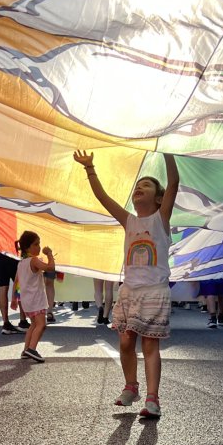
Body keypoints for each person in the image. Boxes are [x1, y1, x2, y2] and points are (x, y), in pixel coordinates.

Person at [77, 150, 180, 418]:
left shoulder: (161, 219)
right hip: (129, 291)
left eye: (145, 185)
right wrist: (90, 168)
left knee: (149, 345)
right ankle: (131, 386)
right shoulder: (129, 220)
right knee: (124, 343)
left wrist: (168, 150)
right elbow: (102, 198)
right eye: (137, 186)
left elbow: (174, 184)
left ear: (158, 199)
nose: (139, 188)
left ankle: (153, 399)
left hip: (154, 292)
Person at [16, 231, 55, 362]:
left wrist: (15, 298)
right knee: (41, 325)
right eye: (36, 244)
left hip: (27, 301)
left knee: (33, 325)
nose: (39, 247)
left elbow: (17, 282)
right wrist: (49, 254)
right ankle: (32, 349)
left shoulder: (21, 263)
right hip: (36, 299)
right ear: (28, 248)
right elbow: (50, 268)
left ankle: (26, 349)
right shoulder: (34, 260)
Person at [0, 248, 23, 334]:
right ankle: (23, 321)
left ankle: (6, 323)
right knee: (19, 285)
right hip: (12, 253)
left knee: (2, 286)